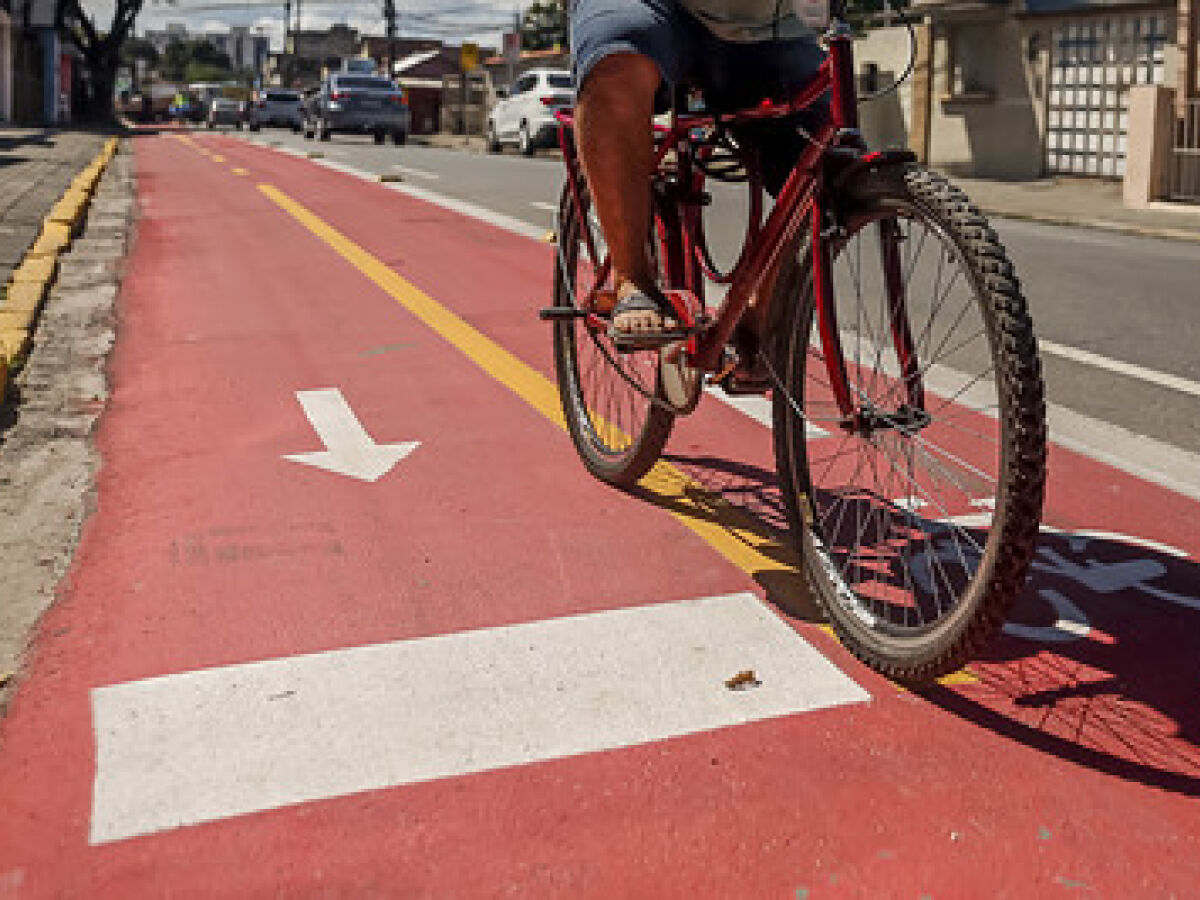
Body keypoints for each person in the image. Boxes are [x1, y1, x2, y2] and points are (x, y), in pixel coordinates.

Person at [570, 0, 828, 351]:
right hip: (646, 5)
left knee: (834, 158)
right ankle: (632, 279)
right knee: (617, 62)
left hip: (767, 22)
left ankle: (764, 311)